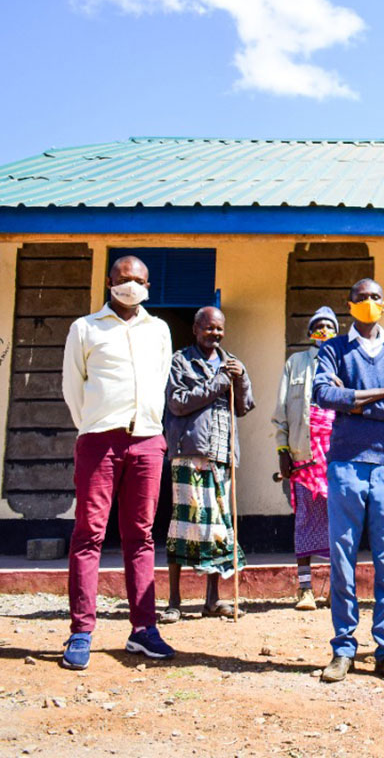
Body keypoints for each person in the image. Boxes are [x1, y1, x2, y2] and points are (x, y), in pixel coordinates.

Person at [59, 255, 175, 670]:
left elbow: (160, 380)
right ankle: (81, 631)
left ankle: (143, 630)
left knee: (140, 536)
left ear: (148, 285)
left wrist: (144, 426)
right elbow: (73, 388)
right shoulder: (85, 328)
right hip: (99, 442)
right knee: (89, 533)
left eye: (139, 280)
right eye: (124, 279)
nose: (131, 285)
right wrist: (96, 427)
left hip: (147, 442)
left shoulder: (159, 330)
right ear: (110, 281)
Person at [313, 278, 384, 684]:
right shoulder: (333, 349)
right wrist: (383, 392)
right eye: (361, 297)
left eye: (376, 297)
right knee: (342, 559)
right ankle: (343, 648)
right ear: (349, 304)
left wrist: (357, 402)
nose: (369, 303)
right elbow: (323, 393)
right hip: (345, 463)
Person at [160, 307, 255, 622]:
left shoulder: (231, 363)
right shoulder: (180, 361)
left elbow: (243, 407)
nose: (214, 334)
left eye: (219, 329)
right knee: (183, 527)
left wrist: (239, 380)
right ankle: (174, 601)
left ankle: (212, 600)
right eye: (209, 328)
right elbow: (177, 402)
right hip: (189, 453)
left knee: (217, 531)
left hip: (222, 454)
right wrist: (218, 383)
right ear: (196, 329)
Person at [273, 306, 340, 611]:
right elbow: (282, 412)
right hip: (304, 456)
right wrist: (283, 451)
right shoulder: (295, 364)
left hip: (339, 457)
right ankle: (305, 590)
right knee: (305, 521)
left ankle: (336, 589)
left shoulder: (344, 361)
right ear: (310, 331)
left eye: (329, 325)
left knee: (341, 524)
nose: (324, 330)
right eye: (318, 325)